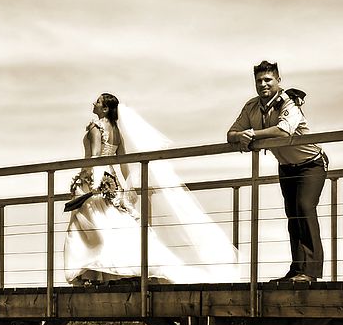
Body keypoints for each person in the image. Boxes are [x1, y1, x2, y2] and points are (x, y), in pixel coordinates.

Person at [64, 93, 239, 285]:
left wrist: (85, 178)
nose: (94, 103)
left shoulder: (96, 128)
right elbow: (123, 162)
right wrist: (124, 187)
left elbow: (95, 157)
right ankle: (109, 271)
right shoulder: (116, 131)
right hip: (111, 179)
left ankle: (97, 270)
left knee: (90, 222)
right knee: (110, 221)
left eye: (97, 101)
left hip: (96, 178)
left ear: (105, 108)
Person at [227, 60, 328, 283]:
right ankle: (297, 269)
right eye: (258, 81)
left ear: (278, 81)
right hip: (286, 167)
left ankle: (311, 272)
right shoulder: (251, 107)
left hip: (311, 163)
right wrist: (239, 136)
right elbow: (231, 133)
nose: (263, 84)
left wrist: (252, 134)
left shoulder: (289, 101)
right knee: (293, 215)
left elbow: (284, 132)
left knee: (304, 208)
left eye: (267, 80)